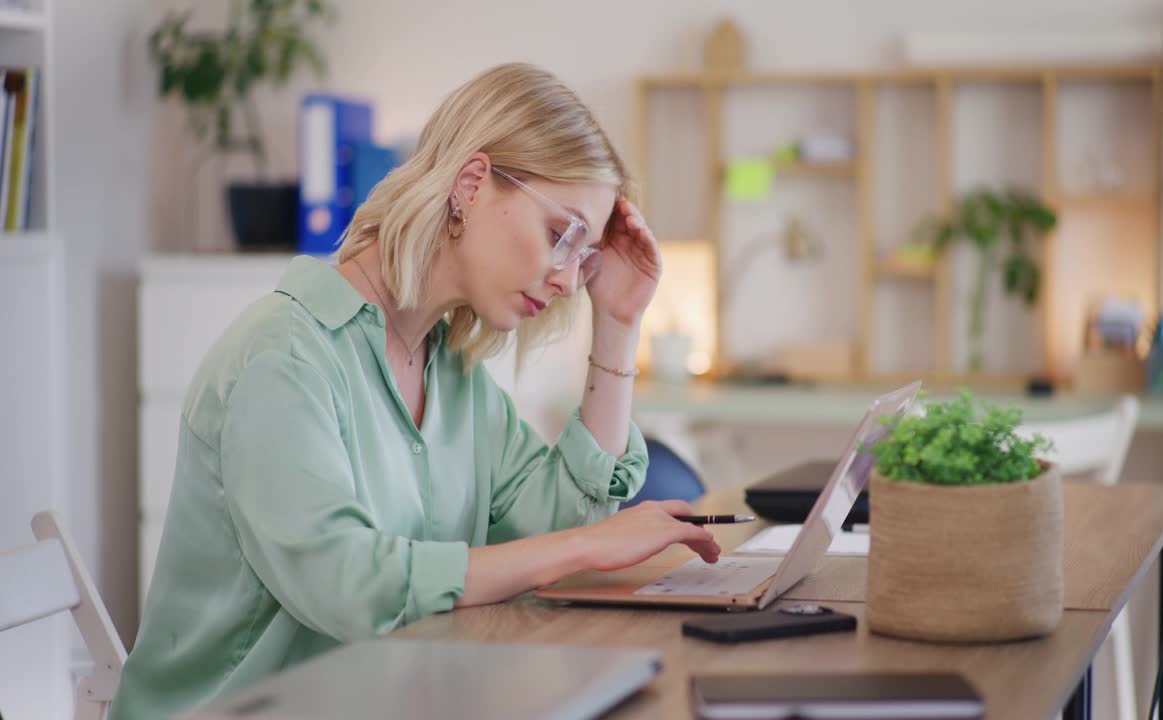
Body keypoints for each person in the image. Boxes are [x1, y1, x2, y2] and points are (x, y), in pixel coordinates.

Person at [109, 63, 721, 719]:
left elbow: (571, 522)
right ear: (471, 185)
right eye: (561, 235)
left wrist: (620, 322)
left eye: (585, 254)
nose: (571, 281)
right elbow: (347, 586)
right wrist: (576, 548)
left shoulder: (451, 371)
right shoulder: (281, 358)